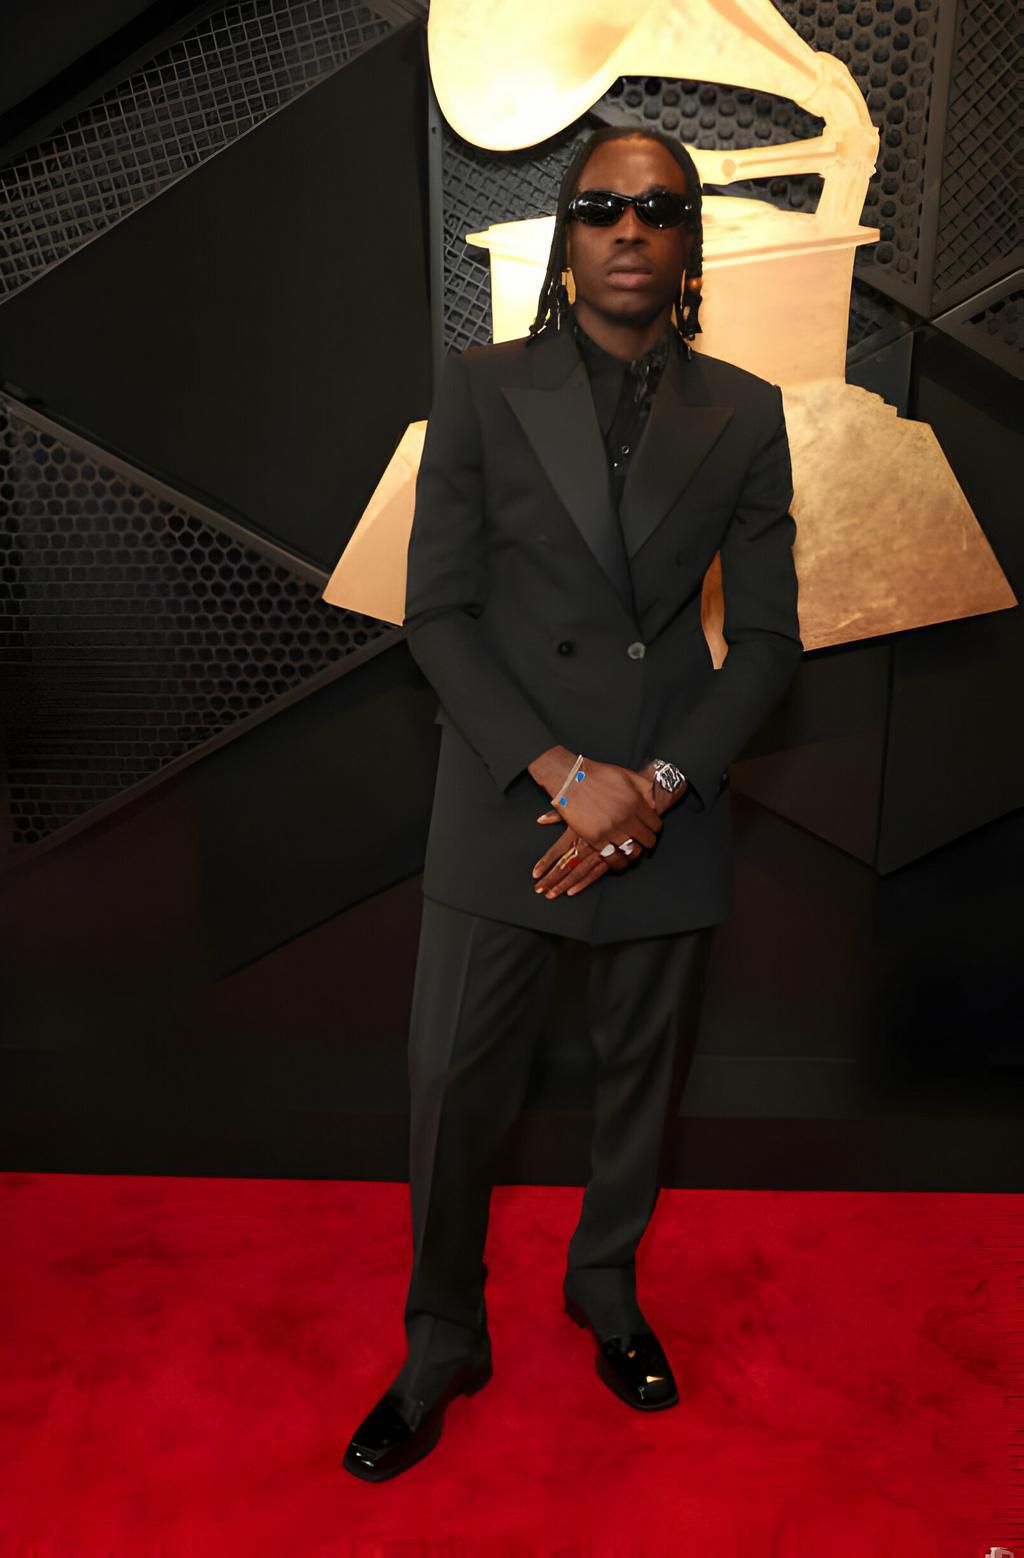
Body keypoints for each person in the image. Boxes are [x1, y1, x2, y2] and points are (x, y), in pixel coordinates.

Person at [343, 124, 803, 1481]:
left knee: (635, 1089)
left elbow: (769, 643)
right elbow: (438, 612)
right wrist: (563, 776)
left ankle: (606, 1291)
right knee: (449, 1085)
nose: (628, 228)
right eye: (601, 204)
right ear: (566, 230)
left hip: (665, 800)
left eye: (658, 208)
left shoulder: (748, 410)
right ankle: (441, 1341)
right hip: (512, 793)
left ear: (688, 239)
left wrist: (650, 785)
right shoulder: (482, 389)